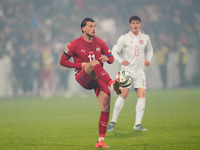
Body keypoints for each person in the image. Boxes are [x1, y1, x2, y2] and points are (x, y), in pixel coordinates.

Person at [60, 18, 121, 148]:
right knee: (93, 64)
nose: (93, 28)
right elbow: (62, 61)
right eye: (90, 26)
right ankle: (112, 83)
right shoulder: (74, 44)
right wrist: (79, 64)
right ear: (83, 28)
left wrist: (107, 58)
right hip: (83, 77)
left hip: (97, 78)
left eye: (94, 26)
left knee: (106, 106)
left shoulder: (100, 42)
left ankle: (101, 141)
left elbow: (111, 58)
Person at [107, 16, 153, 132]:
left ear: (140, 24)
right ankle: (113, 121)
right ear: (130, 25)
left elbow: (150, 50)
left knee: (142, 94)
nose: (135, 25)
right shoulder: (124, 38)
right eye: (133, 23)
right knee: (123, 94)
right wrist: (122, 60)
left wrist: (149, 60)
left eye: (137, 23)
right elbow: (114, 51)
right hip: (126, 71)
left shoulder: (145, 37)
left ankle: (137, 124)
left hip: (139, 72)